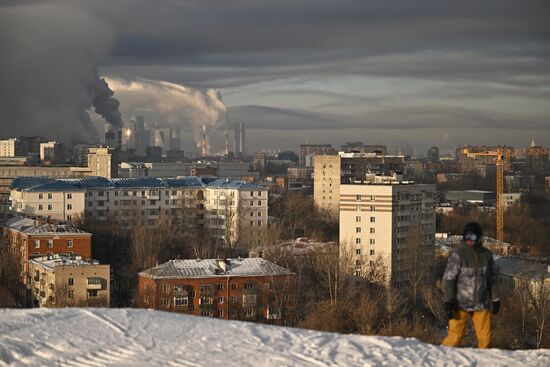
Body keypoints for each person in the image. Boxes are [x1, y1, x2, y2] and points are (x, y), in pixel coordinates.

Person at [441, 222, 500, 348]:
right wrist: (448, 301)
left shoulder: (486, 255)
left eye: (472, 237)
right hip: (460, 303)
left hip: (481, 303)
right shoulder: (459, 254)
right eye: (466, 237)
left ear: (479, 238)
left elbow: (492, 279)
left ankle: (483, 362)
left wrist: (495, 299)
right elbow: (449, 279)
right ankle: (441, 359)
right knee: (455, 336)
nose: (469, 241)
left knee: (485, 338)